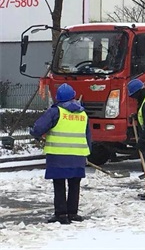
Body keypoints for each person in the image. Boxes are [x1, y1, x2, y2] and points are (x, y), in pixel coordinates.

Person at [30, 83, 91, 224]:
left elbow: (39, 127)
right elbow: (88, 136)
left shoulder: (55, 111)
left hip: (58, 156)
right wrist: (87, 153)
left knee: (59, 184)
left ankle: (61, 214)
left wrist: (33, 133)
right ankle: (73, 213)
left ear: (58, 98)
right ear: (73, 96)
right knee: (74, 185)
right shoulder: (83, 114)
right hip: (78, 156)